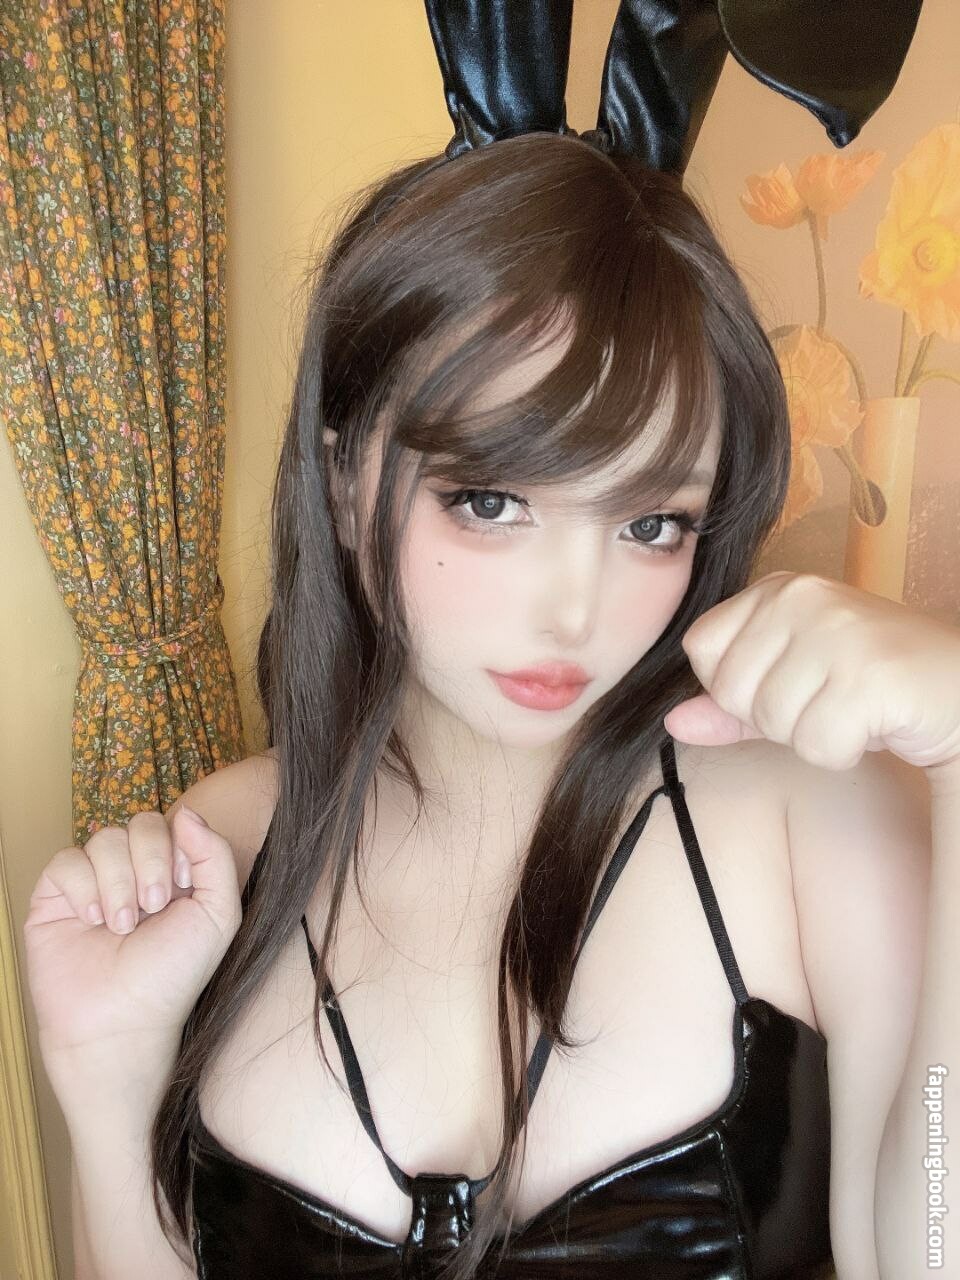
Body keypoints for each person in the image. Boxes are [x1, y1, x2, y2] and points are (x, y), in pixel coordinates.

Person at [23, 133, 955, 1280]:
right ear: (344, 481)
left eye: (650, 522)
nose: (576, 612)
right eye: (492, 501)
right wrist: (108, 1073)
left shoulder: (812, 815)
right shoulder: (218, 849)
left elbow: (935, 1240)